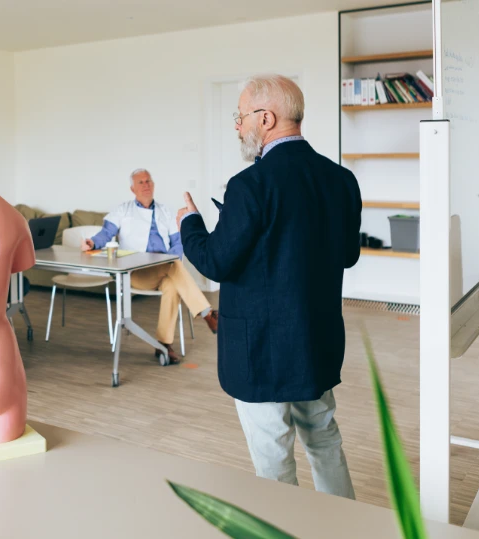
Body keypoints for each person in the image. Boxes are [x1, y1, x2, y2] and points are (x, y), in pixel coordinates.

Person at [177, 74, 361, 499]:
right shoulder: (340, 179)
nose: (237, 126)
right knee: (323, 437)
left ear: (266, 117)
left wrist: (190, 223)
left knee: (273, 454)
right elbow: (346, 255)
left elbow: (217, 260)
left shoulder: (250, 185)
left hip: (262, 349)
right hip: (316, 341)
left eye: (240, 117)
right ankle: (349, 527)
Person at [81, 169, 217, 362]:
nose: (146, 185)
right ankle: (208, 314)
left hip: (163, 270)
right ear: (132, 188)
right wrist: (92, 243)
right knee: (174, 266)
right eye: (141, 182)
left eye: (148, 181)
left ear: (153, 185)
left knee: (172, 283)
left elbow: (177, 243)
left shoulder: (166, 212)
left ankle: (164, 345)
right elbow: (105, 234)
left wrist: (171, 259)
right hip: (135, 272)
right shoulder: (123, 210)